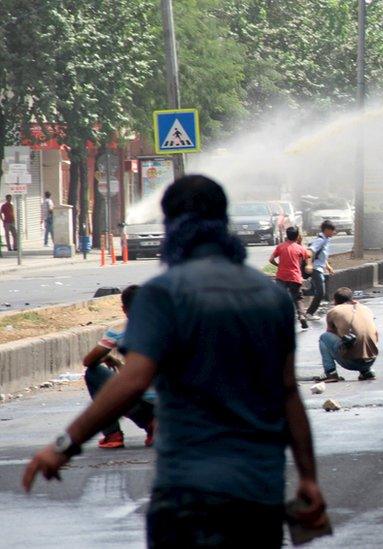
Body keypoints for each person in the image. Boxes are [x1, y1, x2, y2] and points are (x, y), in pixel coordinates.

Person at [22, 175, 327, 546]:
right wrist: (308, 478)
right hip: (258, 489)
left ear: (172, 226)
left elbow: (132, 380)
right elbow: (288, 394)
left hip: (187, 490)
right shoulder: (271, 298)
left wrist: (63, 445)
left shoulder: (162, 294)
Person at [82, 284, 156, 449]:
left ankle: (112, 434)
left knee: (93, 373)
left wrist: (109, 358)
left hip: (139, 403)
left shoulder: (119, 331)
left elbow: (88, 361)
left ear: (124, 309)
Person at [319, 287, 379, 382]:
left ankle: (330, 373)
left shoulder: (334, 311)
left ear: (335, 301)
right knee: (364, 334)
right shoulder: (366, 309)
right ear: (352, 299)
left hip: (350, 362)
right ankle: (366, 372)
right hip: (371, 360)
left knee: (324, 337)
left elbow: (330, 333)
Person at [271, 226, 310, 330]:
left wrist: (278, 265)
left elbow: (271, 259)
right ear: (297, 236)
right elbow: (306, 259)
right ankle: (302, 316)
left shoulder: (280, 247)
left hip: (281, 276)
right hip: (295, 277)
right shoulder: (300, 248)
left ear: (286, 235)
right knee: (298, 298)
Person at [306, 220, 337, 320]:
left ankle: (307, 311)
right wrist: (309, 264)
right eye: (332, 231)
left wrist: (328, 266)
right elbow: (310, 251)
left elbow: (322, 255)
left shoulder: (326, 239)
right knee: (320, 292)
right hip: (315, 269)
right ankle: (309, 313)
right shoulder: (320, 240)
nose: (334, 233)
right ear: (327, 230)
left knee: (318, 291)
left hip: (319, 268)